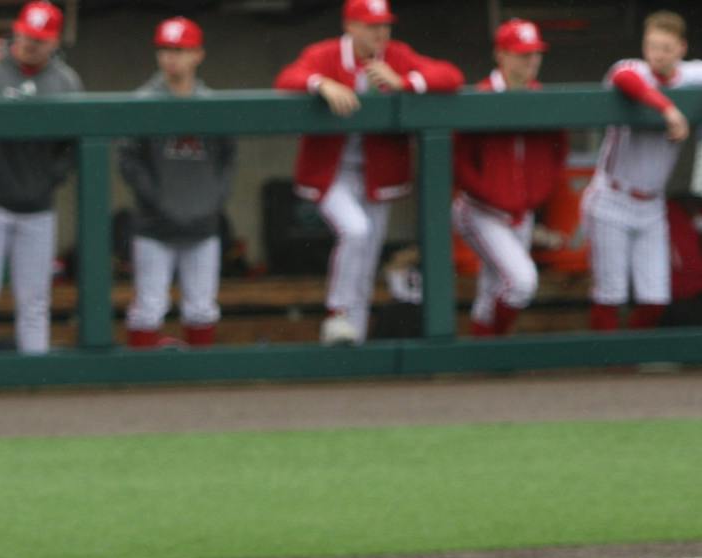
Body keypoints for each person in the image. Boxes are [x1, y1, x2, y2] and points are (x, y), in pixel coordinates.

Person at [274, 0, 462, 346]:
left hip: (377, 176)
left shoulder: (397, 55)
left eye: (385, 25)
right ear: (350, 26)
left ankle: (352, 343)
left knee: (366, 260)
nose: (381, 32)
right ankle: (337, 314)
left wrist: (406, 81)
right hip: (333, 173)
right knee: (355, 231)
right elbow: (287, 78)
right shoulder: (326, 54)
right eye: (372, 25)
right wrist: (321, 84)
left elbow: (451, 75)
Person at [586, 11, 702, 333]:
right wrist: (668, 109)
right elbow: (624, 78)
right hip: (611, 198)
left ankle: (630, 356)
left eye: (666, 48)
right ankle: (604, 361)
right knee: (610, 296)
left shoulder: (689, 74)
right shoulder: (632, 68)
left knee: (655, 299)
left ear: (681, 48)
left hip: (652, 205)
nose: (657, 55)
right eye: (652, 46)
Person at [0, 1, 83, 356]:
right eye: (26, 35)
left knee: (35, 300)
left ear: (54, 41)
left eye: (39, 39)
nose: (29, 44)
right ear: (16, 30)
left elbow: (74, 145)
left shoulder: (65, 81)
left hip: (37, 207)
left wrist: (49, 178)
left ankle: (35, 375)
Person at [119, 16, 235, 348]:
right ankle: (141, 375)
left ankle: (199, 377)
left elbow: (228, 159)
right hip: (155, 225)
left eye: (180, 50)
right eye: (165, 50)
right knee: (148, 308)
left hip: (202, 225)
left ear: (198, 54)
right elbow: (128, 161)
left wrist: (211, 201)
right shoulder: (142, 100)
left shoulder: (212, 104)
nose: (171, 57)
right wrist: (159, 200)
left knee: (201, 308)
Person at [452, 19, 567, 338]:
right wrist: (491, 193)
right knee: (521, 282)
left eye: (535, 53)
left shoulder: (541, 97)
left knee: (492, 291)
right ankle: (494, 346)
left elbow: (558, 152)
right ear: (501, 55)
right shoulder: (480, 96)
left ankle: (481, 354)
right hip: (481, 210)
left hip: (522, 212)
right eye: (522, 54)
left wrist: (534, 196)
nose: (531, 60)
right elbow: (458, 159)